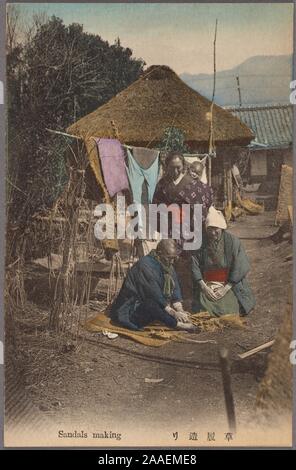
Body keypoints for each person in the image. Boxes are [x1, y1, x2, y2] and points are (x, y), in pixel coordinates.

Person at [110, 239, 196, 331]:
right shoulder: (145, 265)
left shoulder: (167, 265)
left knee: (162, 308)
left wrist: (180, 310)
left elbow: (175, 289)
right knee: (151, 305)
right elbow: (154, 295)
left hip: (155, 305)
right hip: (131, 310)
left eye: (173, 258)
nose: (171, 262)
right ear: (159, 253)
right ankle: (178, 325)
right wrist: (174, 314)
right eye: (169, 258)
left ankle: (168, 318)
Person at [191, 206, 255, 316]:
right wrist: (204, 287)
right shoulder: (200, 242)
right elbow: (194, 264)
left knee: (231, 308)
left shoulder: (233, 242)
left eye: (216, 229)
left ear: (222, 228)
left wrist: (225, 288)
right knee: (204, 309)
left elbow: (240, 265)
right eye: (210, 229)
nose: (213, 232)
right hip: (208, 284)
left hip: (228, 283)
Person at [153, 152, 213, 225]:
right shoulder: (162, 184)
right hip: (167, 225)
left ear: (183, 166)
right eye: (172, 167)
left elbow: (203, 202)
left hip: (188, 226)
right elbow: (156, 205)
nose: (175, 171)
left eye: (178, 167)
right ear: (167, 166)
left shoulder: (194, 184)